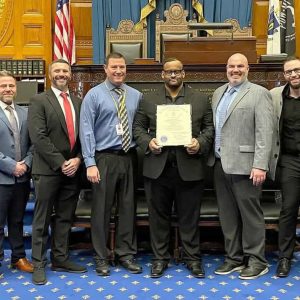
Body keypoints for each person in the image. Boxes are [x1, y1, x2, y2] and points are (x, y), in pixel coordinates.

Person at [133, 58, 214, 278]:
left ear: (183, 73)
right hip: (157, 169)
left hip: (190, 168)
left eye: (177, 71)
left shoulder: (200, 99)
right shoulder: (148, 99)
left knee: (190, 217)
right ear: (162, 75)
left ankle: (192, 259)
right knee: (158, 217)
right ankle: (160, 258)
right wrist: (148, 142)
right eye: (169, 72)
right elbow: (138, 128)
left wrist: (200, 144)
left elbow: (209, 129)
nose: (173, 75)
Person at [208, 53, 273, 280]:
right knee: (227, 216)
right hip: (219, 164)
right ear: (226, 69)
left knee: (250, 215)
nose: (235, 70)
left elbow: (265, 132)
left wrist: (260, 165)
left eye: (240, 66)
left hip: (247, 166)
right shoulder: (218, 93)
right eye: (231, 66)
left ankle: (257, 260)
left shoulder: (259, 93)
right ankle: (234, 258)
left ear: (248, 69)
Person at [80, 52, 142, 276]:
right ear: (105, 68)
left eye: (122, 67)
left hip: (128, 157)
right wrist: (90, 162)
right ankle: (101, 256)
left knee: (128, 209)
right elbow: (86, 130)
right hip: (103, 159)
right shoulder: (94, 95)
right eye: (114, 67)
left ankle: (125, 254)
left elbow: (139, 126)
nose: (118, 71)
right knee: (102, 210)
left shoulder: (135, 95)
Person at [28, 59, 87, 285]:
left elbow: (85, 135)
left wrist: (78, 159)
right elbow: (38, 136)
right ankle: (38, 263)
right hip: (48, 170)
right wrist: (61, 162)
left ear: (70, 74)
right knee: (42, 219)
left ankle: (60, 258)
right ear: (51, 74)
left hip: (73, 169)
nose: (61, 74)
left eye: (65, 70)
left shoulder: (79, 102)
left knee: (64, 217)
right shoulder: (39, 100)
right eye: (57, 71)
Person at [0, 70, 33, 273]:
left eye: (11, 86)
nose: (8, 89)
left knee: (17, 220)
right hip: (1, 178)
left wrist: (26, 164)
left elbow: (33, 144)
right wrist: (12, 166)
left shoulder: (25, 112)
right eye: (3, 86)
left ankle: (18, 258)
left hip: (22, 179)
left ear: (16, 88)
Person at [269, 56, 300, 277]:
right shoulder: (275, 97)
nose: (294, 75)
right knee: (289, 208)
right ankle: (285, 257)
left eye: (297, 70)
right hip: (290, 160)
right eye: (289, 72)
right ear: (284, 75)